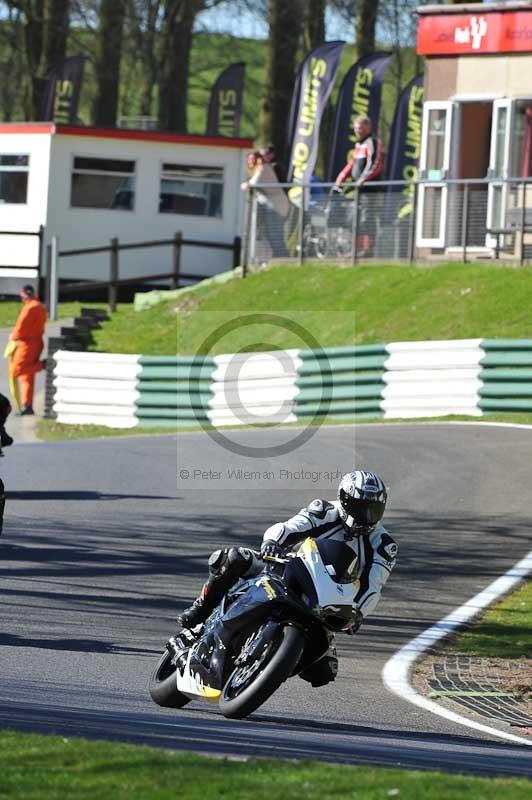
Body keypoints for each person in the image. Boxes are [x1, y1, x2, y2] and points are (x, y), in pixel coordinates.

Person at [177, 470, 397, 687]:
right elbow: (291, 527)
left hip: (326, 600)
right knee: (233, 558)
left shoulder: (383, 545)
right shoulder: (324, 511)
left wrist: (358, 612)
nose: (367, 516)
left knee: (323, 671)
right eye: (361, 508)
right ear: (345, 500)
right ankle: (201, 609)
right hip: (287, 569)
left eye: (374, 509)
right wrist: (273, 543)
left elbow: (373, 586)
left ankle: (266, 665)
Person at [334, 116, 384, 257]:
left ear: (368, 128)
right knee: (355, 217)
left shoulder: (372, 142)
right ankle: (356, 249)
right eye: (356, 128)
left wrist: (362, 179)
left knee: (367, 218)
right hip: (359, 190)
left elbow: (376, 163)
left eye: (360, 128)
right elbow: (352, 164)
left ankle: (369, 249)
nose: (357, 131)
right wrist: (341, 179)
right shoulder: (359, 145)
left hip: (370, 189)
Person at [242, 150, 289, 259]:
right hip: (273, 206)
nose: (250, 162)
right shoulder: (258, 169)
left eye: (253, 159)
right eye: (249, 160)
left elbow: (254, 183)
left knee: (275, 235)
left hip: (276, 207)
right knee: (270, 234)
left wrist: (246, 184)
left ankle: (284, 259)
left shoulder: (263, 168)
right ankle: (279, 258)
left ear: (259, 159)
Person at [8, 285, 47, 416]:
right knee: (27, 376)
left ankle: (43, 365)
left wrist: (13, 337)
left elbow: (22, 325)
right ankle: (27, 406)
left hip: (28, 344)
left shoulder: (30, 307)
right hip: (36, 342)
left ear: (23, 295)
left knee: (17, 370)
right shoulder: (39, 306)